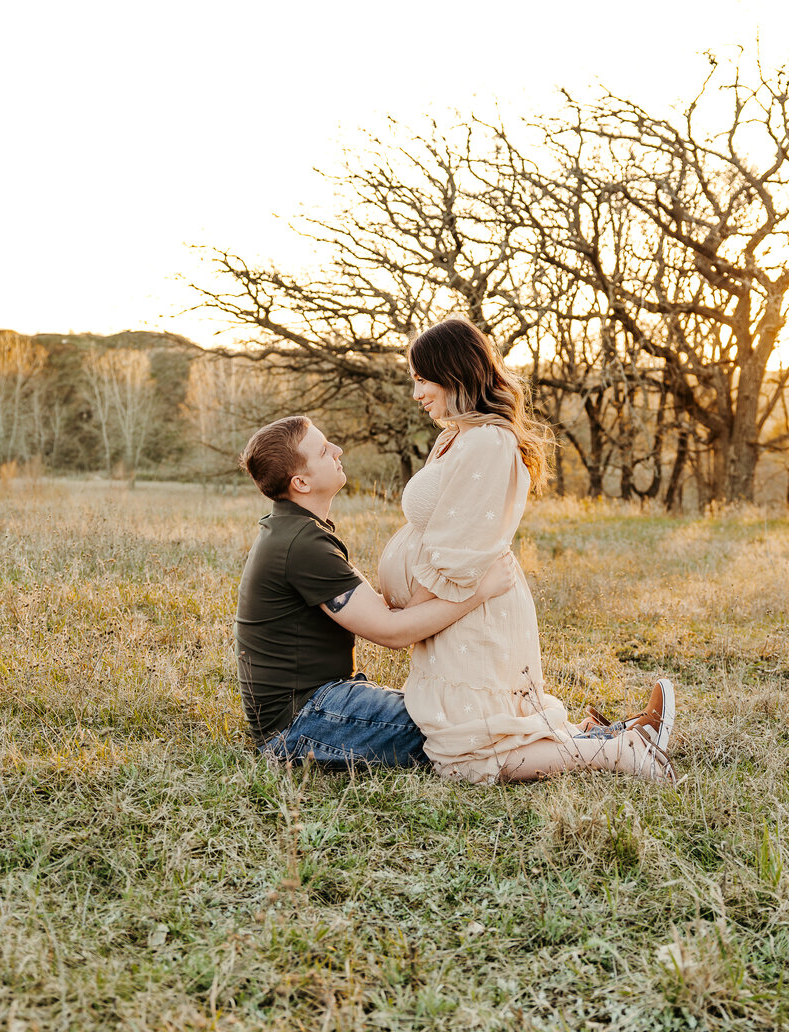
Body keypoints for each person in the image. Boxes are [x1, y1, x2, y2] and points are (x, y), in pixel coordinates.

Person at [378, 316, 676, 784]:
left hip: (467, 610)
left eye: (422, 379)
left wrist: (408, 615)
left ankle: (624, 751)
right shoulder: (454, 436)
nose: (416, 393)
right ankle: (614, 737)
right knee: (481, 732)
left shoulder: (488, 442)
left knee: (471, 756)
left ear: (454, 372)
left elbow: (461, 551)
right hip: (453, 614)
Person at [235, 414, 516, 769]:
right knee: (464, 729)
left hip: (320, 705)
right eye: (323, 450)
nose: (337, 450)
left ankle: (573, 734)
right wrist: (480, 591)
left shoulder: (294, 530)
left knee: (459, 712)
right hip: (301, 723)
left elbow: (382, 610)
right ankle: (595, 743)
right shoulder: (301, 544)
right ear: (301, 483)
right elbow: (392, 632)